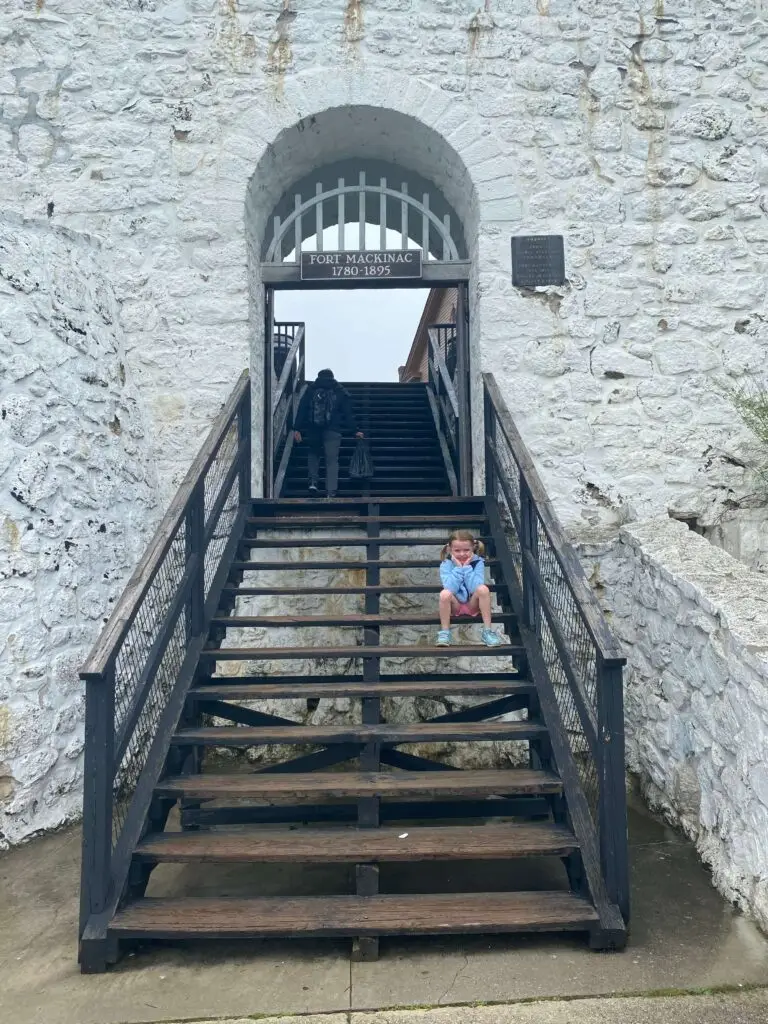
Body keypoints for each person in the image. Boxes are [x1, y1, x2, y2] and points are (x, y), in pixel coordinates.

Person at [294, 369, 363, 497]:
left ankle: (313, 482)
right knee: (332, 460)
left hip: (313, 428)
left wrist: (296, 428)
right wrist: (355, 430)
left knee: (314, 454)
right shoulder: (339, 390)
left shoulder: (311, 389)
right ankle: (331, 491)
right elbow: (348, 414)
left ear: (318, 377)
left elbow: (302, 408)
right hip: (333, 430)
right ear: (332, 377)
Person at [436, 529, 502, 647]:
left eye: (466, 550)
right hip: (454, 606)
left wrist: (466, 568)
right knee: (444, 594)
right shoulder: (446, 564)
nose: (462, 554)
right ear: (450, 550)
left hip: (473, 605)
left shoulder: (478, 563)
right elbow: (450, 588)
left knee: (483, 589)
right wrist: (457, 568)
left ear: (473, 549)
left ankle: (487, 632)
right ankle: (445, 633)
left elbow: (474, 587)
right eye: (457, 551)